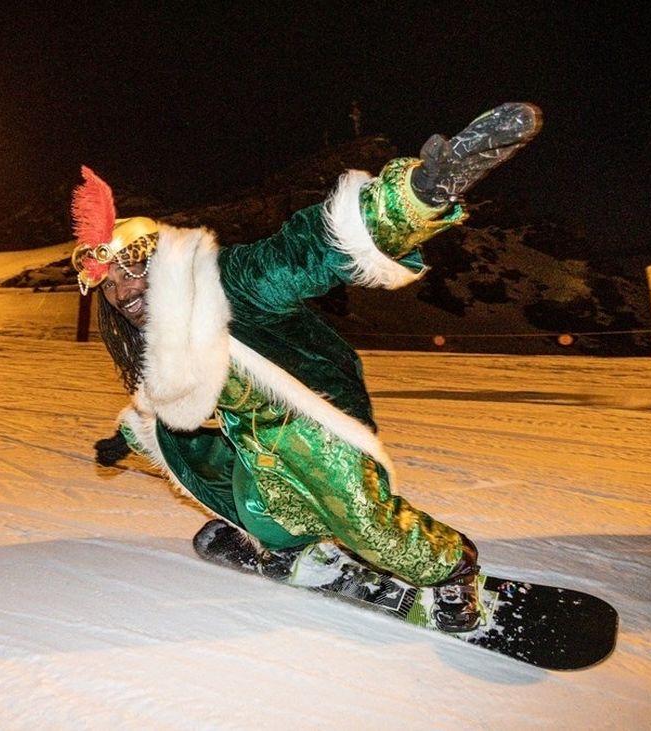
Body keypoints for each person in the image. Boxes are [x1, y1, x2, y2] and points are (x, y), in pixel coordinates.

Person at [76, 102, 543, 633]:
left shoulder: (229, 282)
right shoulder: (155, 330)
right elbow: (161, 395)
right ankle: (286, 541)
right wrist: (127, 435)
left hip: (318, 425)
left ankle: (451, 567)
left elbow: (307, 249)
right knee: (260, 513)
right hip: (262, 445)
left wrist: (417, 196)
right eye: (107, 284)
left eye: (130, 270)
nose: (122, 292)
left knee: (368, 524)